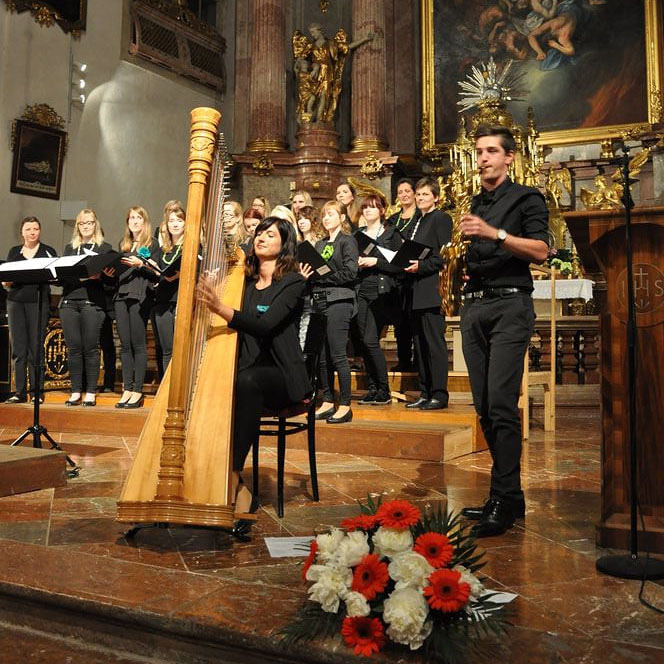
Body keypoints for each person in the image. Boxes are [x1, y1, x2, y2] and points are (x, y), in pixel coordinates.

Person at [458, 124, 549, 538]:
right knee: (483, 408)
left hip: (510, 305)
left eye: (491, 151)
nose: (483, 158)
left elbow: (541, 251)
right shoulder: (477, 200)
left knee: (500, 404)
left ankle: (504, 497)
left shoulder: (527, 198)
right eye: (479, 151)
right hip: (475, 307)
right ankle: (509, 497)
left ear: (510, 157)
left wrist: (495, 233)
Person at [195, 216, 310, 516]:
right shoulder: (242, 282)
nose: (261, 237)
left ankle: (231, 477)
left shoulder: (293, 282)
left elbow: (265, 325)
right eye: (259, 232)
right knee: (228, 383)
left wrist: (220, 308)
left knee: (247, 382)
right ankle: (208, 474)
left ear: (285, 244)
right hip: (249, 371)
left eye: (270, 234)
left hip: (283, 376)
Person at [304, 201, 358, 424]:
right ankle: (327, 400)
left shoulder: (348, 241)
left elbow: (350, 272)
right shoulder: (319, 244)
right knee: (322, 357)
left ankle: (345, 405)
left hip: (340, 300)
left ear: (342, 218)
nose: (326, 218)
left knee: (337, 355)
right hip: (320, 300)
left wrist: (323, 276)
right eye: (324, 215)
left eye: (331, 214)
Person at [402, 177, 452, 411]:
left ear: (436, 197)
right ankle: (425, 392)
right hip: (414, 291)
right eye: (418, 195)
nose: (420, 198)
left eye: (425, 195)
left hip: (431, 290)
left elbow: (444, 256)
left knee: (434, 345)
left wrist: (420, 267)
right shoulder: (417, 222)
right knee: (420, 347)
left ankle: (439, 394)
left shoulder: (440, 218)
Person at [59, 209, 112, 406]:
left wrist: (102, 275)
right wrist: (80, 276)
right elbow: (62, 276)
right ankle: (75, 391)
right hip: (69, 302)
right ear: (78, 226)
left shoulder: (105, 249)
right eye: (82, 223)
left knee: (90, 348)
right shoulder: (69, 248)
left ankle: (90, 391)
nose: (87, 226)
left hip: (92, 302)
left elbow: (110, 280)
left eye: (90, 222)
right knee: (73, 349)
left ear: (95, 224)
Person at [354, 195, 403, 406]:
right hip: (362, 291)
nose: (368, 211)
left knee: (370, 340)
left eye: (373, 207)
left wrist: (376, 261)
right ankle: (373, 387)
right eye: (365, 208)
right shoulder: (358, 235)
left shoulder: (391, 234)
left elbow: (400, 264)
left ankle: (383, 388)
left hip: (382, 292)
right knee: (365, 342)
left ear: (382, 210)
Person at [3, 217, 57, 403]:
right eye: (28, 229)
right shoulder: (14, 252)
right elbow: (6, 279)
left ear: (40, 231)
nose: (32, 232)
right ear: (22, 232)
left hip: (38, 302)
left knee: (36, 348)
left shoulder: (48, 251)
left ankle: (36, 392)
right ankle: (19, 392)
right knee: (18, 349)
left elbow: (55, 276)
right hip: (16, 302)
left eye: (35, 229)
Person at [111, 206, 158, 409]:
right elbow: (117, 272)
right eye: (131, 218)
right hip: (121, 295)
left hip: (140, 295)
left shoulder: (153, 244)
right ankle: (127, 389)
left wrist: (141, 264)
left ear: (145, 221)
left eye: (139, 217)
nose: (135, 221)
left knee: (138, 345)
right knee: (125, 344)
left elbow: (157, 273)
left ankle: (137, 390)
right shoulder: (124, 244)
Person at [386, 178, 420, 372]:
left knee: (413, 319)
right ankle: (404, 359)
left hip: (415, 273)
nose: (404, 195)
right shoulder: (393, 220)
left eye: (408, 191)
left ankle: (417, 360)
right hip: (397, 275)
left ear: (414, 193)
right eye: (400, 192)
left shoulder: (419, 217)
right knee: (400, 322)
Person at [151, 203, 185, 376]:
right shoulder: (162, 248)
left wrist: (180, 275)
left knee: (180, 350)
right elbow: (156, 270)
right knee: (167, 350)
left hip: (181, 299)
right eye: (171, 220)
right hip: (163, 300)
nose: (175, 224)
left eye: (179, 220)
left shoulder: (192, 246)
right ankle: (166, 390)